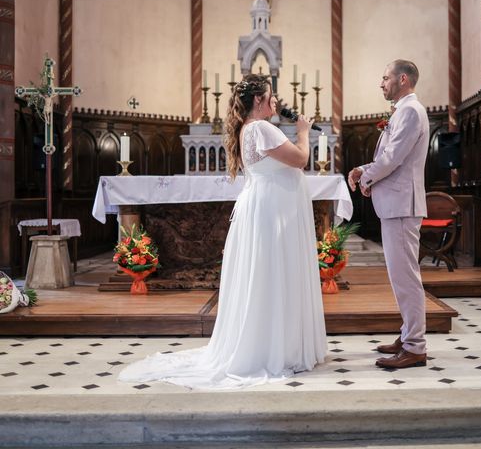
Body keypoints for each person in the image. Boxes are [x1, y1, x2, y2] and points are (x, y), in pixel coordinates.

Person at [119, 74, 327, 389]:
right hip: (271, 213)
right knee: (273, 276)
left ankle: (270, 345)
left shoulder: (249, 129)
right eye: (271, 96)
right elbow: (299, 160)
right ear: (258, 100)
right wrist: (302, 133)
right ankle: (274, 350)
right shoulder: (261, 128)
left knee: (265, 278)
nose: (275, 102)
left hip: (264, 210)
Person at [348, 60, 429, 369]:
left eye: (386, 78)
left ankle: (415, 346)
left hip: (401, 206)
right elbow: (390, 158)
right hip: (396, 203)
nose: (381, 83)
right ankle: (408, 334)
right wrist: (372, 178)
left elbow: (392, 158)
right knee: (401, 277)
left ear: (403, 80)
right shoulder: (404, 110)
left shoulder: (409, 111)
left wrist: (365, 175)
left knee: (406, 277)